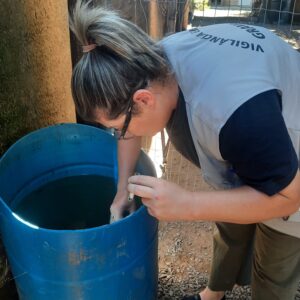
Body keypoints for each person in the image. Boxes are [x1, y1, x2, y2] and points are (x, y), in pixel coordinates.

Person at [70, 1, 300, 299]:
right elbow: (127, 121)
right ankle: (213, 293)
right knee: (230, 221)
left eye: (117, 128)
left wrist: (188, 204)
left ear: (143, 100)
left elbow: (287, 198)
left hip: (291, 159)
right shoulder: (151, 62)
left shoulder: (231, 114)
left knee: (274, 262)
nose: (119, 135)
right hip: (259, 128)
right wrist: (120, 190)